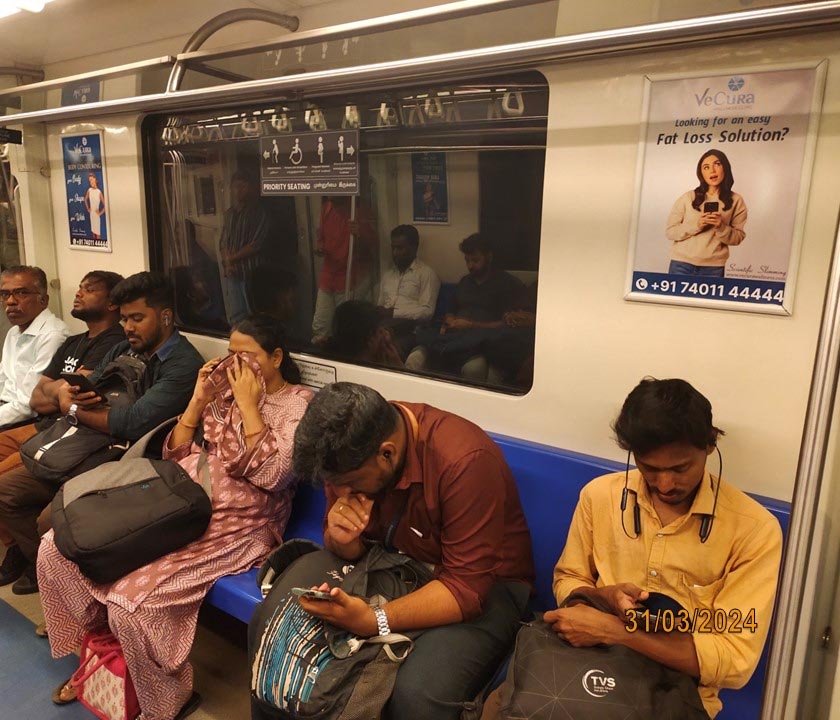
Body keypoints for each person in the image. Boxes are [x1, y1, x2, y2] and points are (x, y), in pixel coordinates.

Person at [39, 314, 313, 719]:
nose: (236, 365)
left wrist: (248, 404)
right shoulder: (220, 392)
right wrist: (199, 400)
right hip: (180, 497)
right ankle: (102, 657)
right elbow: (177, 452)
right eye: (231, 354)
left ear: (275, 357)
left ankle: (164, 699)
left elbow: (275, 476)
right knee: (57, 549)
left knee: (132, 603)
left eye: (249, 356)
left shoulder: (298, 403)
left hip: (241, 519)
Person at [291, 382, 534, 720]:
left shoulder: (465, 461)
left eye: (352, 484)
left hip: (489, 587)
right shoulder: (351, 450)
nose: (343, 493)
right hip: (397, 562)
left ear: (387, 454)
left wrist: (374, 620)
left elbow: (466, 590)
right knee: (286, 628)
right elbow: (344, 541)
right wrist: (342, 540)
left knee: (416, 695)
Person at [546, 378, 782, 719]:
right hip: (589, 662)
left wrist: (617, 632)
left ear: (710, 446)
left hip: (678, 694)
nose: (665, 484)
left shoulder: (754, 529)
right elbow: (569, 578)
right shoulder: (599, 496)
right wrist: (603, 597)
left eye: (680, 468)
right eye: (650, 468)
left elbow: (734, 660)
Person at [0, 271, 204, 595]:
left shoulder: (182, 364)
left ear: (165, 316)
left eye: (137, 318)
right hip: (86, 446)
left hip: (129, 461)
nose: (128, 327)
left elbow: (132, 422)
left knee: (49, 520)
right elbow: (86, 388)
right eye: (124, 319)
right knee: (7, 491)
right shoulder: (123, 348)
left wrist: (72, 408)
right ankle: (54, 577)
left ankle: (77, 589)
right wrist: (76, 400)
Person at [0, 270, 125, 589]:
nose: (78, 293)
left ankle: (28, 556)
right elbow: (37, 397)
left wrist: (55, 393)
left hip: (62, 430)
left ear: (112, 303)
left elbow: (69, 397)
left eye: (89, 289)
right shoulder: (74, 342)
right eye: (79, 286)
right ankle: (19, 548)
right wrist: (58, 392)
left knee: (4, 482)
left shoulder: (114, 343)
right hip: (42, 422)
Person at [407, 233, 526, 379]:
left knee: (473, 368)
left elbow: (507, 324)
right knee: (416, 354)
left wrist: (471, 325)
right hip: (454, 335)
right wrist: (449, 320)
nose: (470, 266)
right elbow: (451, 310)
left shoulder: (506, 284)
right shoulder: (464, 282)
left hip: (482, 339)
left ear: (489, 257)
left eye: (475, 260)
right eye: (467, 260)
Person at [0, 265, 69, 430]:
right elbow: (3, 380)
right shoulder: (14, 332)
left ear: (43, 300)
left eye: (21, 293)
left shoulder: (53, 335)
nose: (10, 301)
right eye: (5, 294)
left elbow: (29, 404)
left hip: (26, 420)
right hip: (6, 409)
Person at [666, 149, 747, 277]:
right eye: (706, 167)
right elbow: (670, 232)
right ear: (701, 173)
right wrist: (697, 225)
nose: (712, 171)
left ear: (725, 167)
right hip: (681, 264)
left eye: (717, 164)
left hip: (713, 268)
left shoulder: (736, 200)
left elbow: (738, 238)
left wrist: (721, 227)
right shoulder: (688, 198)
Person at [310, 196, 377, 343]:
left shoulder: (358, 210)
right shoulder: (327, 208)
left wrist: (360, 234)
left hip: (350, 277)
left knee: (345, 327)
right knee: (320, 326)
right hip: (328, 276)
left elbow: (372, 247)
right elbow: (321, 238)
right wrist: (321, 248)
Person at [376, 224, 440, 358]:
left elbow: (427, 312)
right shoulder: (387, 275)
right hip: (385, 326)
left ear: (414, 248)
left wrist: (393, 313)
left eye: (400, 248)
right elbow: (380, 307)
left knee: (386, 349)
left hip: (411, 330)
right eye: (393, 248)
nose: (395, 253)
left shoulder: (426, 274)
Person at [219, 169, 272, 324]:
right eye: (235, 187)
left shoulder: (259, 213)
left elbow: (255, 245)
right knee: (236, 317)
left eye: (242, 186)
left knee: (254, 315)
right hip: (232, 273)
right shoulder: (229, 214)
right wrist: (227, 262)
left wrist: (231, 259)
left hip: (250, 274)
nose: (238, 191)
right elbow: (223, 242)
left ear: (250, 188)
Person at [327, 300, 403, 369]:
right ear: (370, 339)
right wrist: (397, 367)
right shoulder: (378, 367)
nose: (386, 333)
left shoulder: (329, 359)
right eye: (380, 331)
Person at [84, 173, 106, 240]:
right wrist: (88, 208)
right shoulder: (89, 190)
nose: (91, 182)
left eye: (91, 180)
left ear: (95, 179)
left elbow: (105, 205)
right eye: (89, 181)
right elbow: (85, 199)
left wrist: (100, 213)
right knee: (93, 233)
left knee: (98, 234)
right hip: (91, 214)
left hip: (96, 216)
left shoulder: (99, 192)